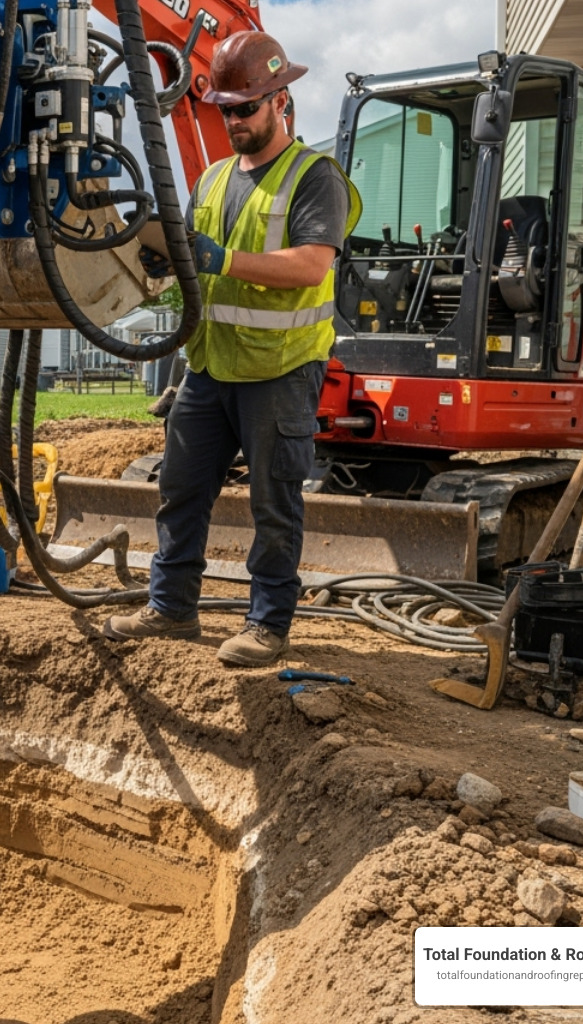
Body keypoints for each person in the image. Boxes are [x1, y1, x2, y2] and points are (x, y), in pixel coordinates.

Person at [104, 31, 361, 667]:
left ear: (280, 101)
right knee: (181, 490)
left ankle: (268, 623)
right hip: (209, 364)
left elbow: (310, 265)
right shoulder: (214, 179)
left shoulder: (314, 177)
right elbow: (197, 267)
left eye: (246, 108)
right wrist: (165, 261)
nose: (235, 121)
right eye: (226, 110)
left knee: (274, 501)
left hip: (280, 369)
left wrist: (221, 259)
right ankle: (171, 608)